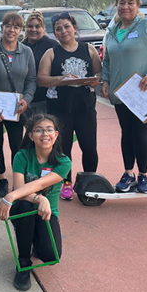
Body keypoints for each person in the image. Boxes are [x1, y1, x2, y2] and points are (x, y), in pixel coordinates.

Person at [101, 0, 147, 193]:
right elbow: (107, 59)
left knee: (141, 135)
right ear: (116, 5)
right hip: (120, 93)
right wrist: (105, 80)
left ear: (138, 5)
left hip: (143, 92)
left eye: (130, 3)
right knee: (127, 134)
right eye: (122, 3)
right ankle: (128, 173)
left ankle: (143, 175)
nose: (126, 7)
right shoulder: (112, 31)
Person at [0, 114, 71, 291]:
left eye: (49, 129)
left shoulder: (63, 162)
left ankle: (35, 239)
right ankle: (23, 263)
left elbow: (41, 183)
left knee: (51, 256)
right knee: (26, 207)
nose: (45, 134)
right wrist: (39, 198)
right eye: (39, 130)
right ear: (30, 135)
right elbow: (20, 189)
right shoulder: (22, 156)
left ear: (56, 134)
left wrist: (10, 196)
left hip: (46, 213)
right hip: (23, 208)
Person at [37, 12, 101, 201]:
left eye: (66, 26)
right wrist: (62, 79)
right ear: (54, 33)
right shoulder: (51, 53)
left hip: (85, 106)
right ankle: (66, 181)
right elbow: (41, 80)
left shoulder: (89, 49)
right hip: (59, 107)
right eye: (58, 29)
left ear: (74, 27)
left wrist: (93, 80)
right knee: (63, 148)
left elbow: (99, 73)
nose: (63, 31)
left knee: (89, 146)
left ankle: (90, 179)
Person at [0, 12, 37, 198]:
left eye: (16, 27)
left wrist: (26, 99)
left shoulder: (26, 52)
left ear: (20, 30)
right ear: (2, 27)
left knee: (17, 145)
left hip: (16, 110)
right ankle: (2, 178)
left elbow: (32, 80)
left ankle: (17, 181)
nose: (11, 30)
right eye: (8, 26)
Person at [23, 11, 58, 116]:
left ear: (43, 28)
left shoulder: (53, 46)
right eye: (30, 26)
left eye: (37, 26)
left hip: (46, 99)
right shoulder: (20, 47)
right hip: (26, 99)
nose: (33, 30)